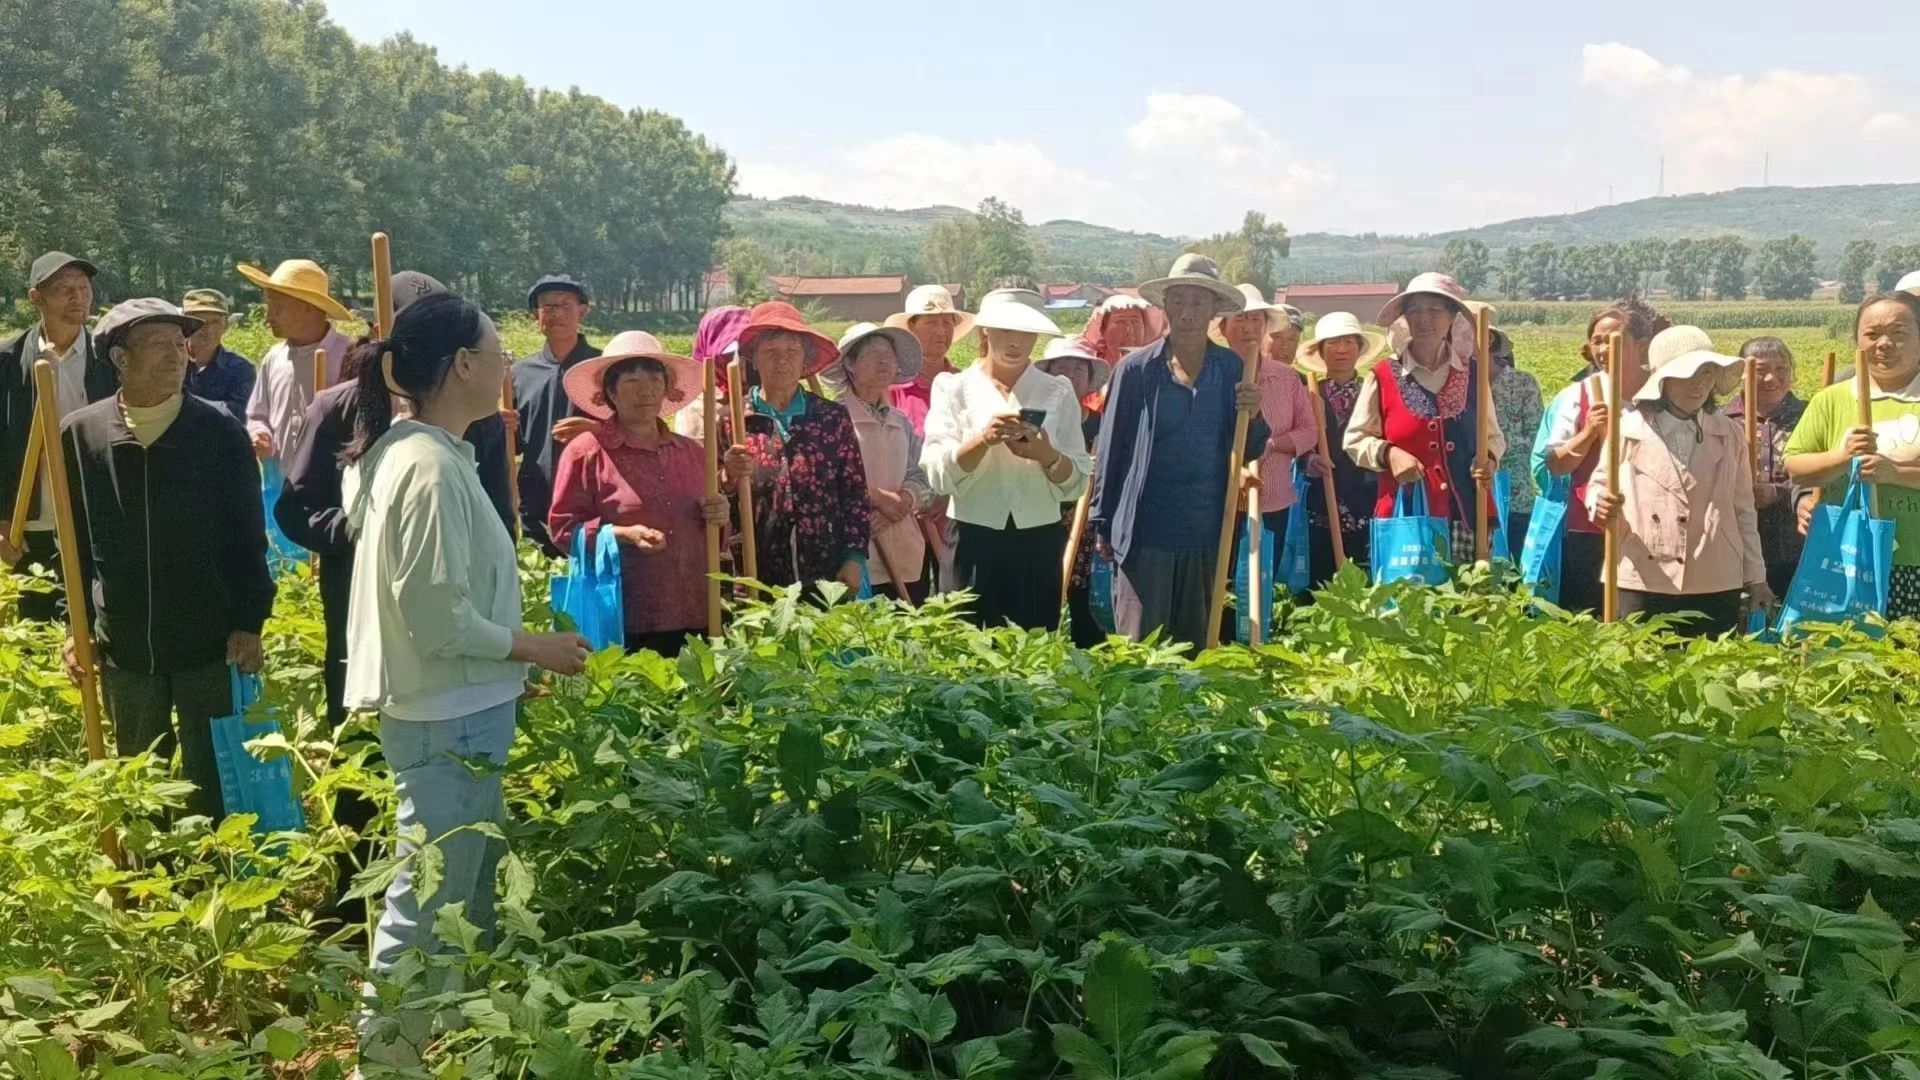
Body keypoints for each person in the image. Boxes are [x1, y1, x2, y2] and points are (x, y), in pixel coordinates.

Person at [339, 293, 589, 1063]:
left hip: (462, 703)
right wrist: (530, 647)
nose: (509, 364)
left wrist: (508, 668)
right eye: (496, 350)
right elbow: (436, 617)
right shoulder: (426, 466)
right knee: (431, 896)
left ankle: (441, 1041)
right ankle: (386, 1060)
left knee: (461, 893)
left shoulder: (417, 451)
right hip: (449, 712)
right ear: (463, 366)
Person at [273, 271, 512, 934]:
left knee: (445, 847)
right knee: (374, 772)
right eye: (499, 355)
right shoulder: (367, 425)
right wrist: (361, 533)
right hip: (390, 640)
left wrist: (507, 642)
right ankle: (355, 886)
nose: (503, 369)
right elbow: (295, 509)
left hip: (456, 661)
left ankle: (440, 980)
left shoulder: (464, 432)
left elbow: (495, 517)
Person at [61, 299, 274, 821]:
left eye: (180, 344)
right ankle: (149, 877)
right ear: (120, 358)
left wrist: (250, 621)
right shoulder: (83, 433)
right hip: (125, 639)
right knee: (139, 775)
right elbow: (77, 543)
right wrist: (78, 626)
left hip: (208, 635)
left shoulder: (218, 430)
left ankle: (214, 881)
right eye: (158, 345)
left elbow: (249, 535)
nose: (176, 355)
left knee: (214, 773)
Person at [1090, 254, 1265, 646]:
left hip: (1205, 532)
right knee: (1141, 650)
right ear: (1165, 306)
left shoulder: (1232, 369)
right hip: (1144, 531)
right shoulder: (1136, 370)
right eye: (1179, 301)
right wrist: (1102, 521)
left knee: (1194, 648)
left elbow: (1250, 447)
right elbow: (1112, 448)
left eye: (1198, 302)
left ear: (1214, 310)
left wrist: (1253, 413)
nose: (1187, 312)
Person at [547, 332, 729, 655]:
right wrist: (622, 535)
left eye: (655, 380)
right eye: (631, 381)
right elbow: (563, 530)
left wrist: (720, 514)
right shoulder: (586, 452)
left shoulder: (691, 452)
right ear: (610, 394)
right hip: (622, 617)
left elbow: (716, 533)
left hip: (696, 610)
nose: (645, 389)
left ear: (666, 389)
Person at [1587, 326, 1770, 637]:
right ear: (1663, 380)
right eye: (1688, 374)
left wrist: (1756, 576)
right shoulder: (1628, 431)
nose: (1699, 384)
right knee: (1640, 673)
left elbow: (1743, 510)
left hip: (1714, 575)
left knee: (1709, 674)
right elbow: (1599, 485)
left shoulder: (1730, 434)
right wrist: (1600, 504)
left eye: (1708, 373)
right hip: (1644, 573)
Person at [923, 298, 1090, 630]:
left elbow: (1079, 480)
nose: (1016, 342)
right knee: (967, 647)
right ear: (986, 331)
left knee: (1034, 650)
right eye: (1006, 331)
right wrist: (982, 440)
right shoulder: (953, 387)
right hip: (972, 539)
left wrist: (1047, 455)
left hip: (1039, 542)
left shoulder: (1057, 390)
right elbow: (936, 473)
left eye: (1026, 333)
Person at [1346, 272, 1502, 566]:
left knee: (1468, 604)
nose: (1423, 319)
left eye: (1434, 310)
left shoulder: (1473, 375)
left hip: (1466, 516)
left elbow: (1493, 437)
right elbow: (1355, 439)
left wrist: (1489, 461)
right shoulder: (1383, 375)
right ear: (1404, 318)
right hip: (1405, 515)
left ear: (1452, 317)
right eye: (1414, 310)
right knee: (1408, 605)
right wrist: (1388, 453)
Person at [1785, 291, 1920, 620]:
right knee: (1847, 660)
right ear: (1857, 341)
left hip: (1914, 562)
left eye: (1898, 334)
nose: (1883, 343)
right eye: (1871, 334)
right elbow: (1796, 467)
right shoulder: (1832, 400)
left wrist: (1895, 473)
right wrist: (1842, 458)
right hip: (1846, 558)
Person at [718, 302, 870, 593]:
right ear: (753, 359)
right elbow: (709, 495)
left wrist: (853, 559)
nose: (782, 361)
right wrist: (727, 476)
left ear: (805, 361)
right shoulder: (733, 420)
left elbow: (854, 493)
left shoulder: (831, 418)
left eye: (791, 352)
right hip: (754, 567)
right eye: (771, 353)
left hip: (826, 567)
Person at [1530, 298, 1667, 613]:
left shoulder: (1661, 394)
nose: (1604, 350)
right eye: (1597, 342)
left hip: (1651, 528)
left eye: (1613, 340)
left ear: (1642, 345)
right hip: (1590, 527)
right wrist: (1589, 431)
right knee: (1588, 615)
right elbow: (1555, 465)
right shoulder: (1579, 396)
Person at [0, 251, 116, 620]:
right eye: (64, 290)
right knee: (34, 622)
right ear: (36, 298)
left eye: (83, 289)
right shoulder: (7, 360)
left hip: (96, 513)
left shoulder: (111, 357)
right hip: (29, 518)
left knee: (95, 620)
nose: (77, 299)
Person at [816, 323, 932, 603]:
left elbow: (921, 473)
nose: (884, 361)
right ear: (851, 365)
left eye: (889, 355)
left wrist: (905, 499)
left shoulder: (900, 422)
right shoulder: (833, 420)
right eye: (873, 354)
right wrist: (875, 499)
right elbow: (823, 482)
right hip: (856, 554)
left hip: (905, 550)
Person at [1218, 284, 1319, 592]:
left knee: (1261, 583)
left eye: (1256, 319)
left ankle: (1257, 639)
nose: (1249, 327)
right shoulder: (1211, 374)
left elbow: (1308, 431)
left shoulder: (1285, 377)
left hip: (1273, 497)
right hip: (1217, 502)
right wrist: (1235, 468)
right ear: (1222, 327)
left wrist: (1273, 445)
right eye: (1240, 319)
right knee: (1222, 586)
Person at [1293, 312, 1387, 588]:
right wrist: (1309, 459)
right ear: (1320, 351)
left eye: (1349, 341)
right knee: (1319, 585)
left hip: (1367, 501)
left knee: (1368, 585)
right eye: (1333, 343)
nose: (1342, 349)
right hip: (1321, 503)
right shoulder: (1308, 393)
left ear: (1359, 349)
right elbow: (1295, 439)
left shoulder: (1375, 391)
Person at [509, 274, 600, 555]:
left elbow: (635, 430)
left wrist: (596, 430)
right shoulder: (519, 374)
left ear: (582, 311)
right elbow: (513, 445)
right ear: (536, 316)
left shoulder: (603, 367)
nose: (557, 313)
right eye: (547, 307)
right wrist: (502, 427)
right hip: (537, 504)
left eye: (565, 305)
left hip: (594, 501)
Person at [238, 258, 353, 472]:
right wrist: (259, 433)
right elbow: (257, 415)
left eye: (276, 306)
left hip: (333, 489)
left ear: (309, 307)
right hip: (280, 484)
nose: (268, 315)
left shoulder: (349, 357)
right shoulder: (274, 358)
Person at [1037, 336, 1111, 646]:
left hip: (1090, 525)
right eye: (1060, 369)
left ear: (1090, 379)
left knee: (1086, 599)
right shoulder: (1037, 422)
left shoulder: (1104, 424)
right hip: (1045, 521)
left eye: (1078, 369)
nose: (1068, 376)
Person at [1723, 337, 1806, 598]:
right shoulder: (1723, 421)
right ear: (1741, 375)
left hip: (1796, 543)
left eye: (1781, 369)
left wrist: (1778, 492)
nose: (1772, 379)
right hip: (1738, 545)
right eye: (1760, 371)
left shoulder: (1810, 415)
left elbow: (1823, 473)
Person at [1472, 302, 1542, 554]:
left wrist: (1492, 451)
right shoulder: (1455, 387)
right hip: (1470, 500)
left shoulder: (1522, 383)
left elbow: (1536, 441)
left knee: (1513, 576)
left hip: (1516, 497)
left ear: (1488, 339)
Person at [885, 285, 974, 436]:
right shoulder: (892, 387)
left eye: (947, 322)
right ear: (911, 327)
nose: (941, 331)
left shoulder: (966, 383)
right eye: (931, 322)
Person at [180, 289, 255, 420]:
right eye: (200, 321)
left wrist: (183, 407)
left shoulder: (241, 369)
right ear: (185, 324)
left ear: (225, 325)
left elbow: (240, 413)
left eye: (215, 322)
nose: (208, 330)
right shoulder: (169, 362)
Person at [1081, 293, 1167, 366]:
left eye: (1135, 322)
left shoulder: (1160, 365)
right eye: (1120, 322)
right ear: (1103, 330)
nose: (1129, 330)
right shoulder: (1086, 365)